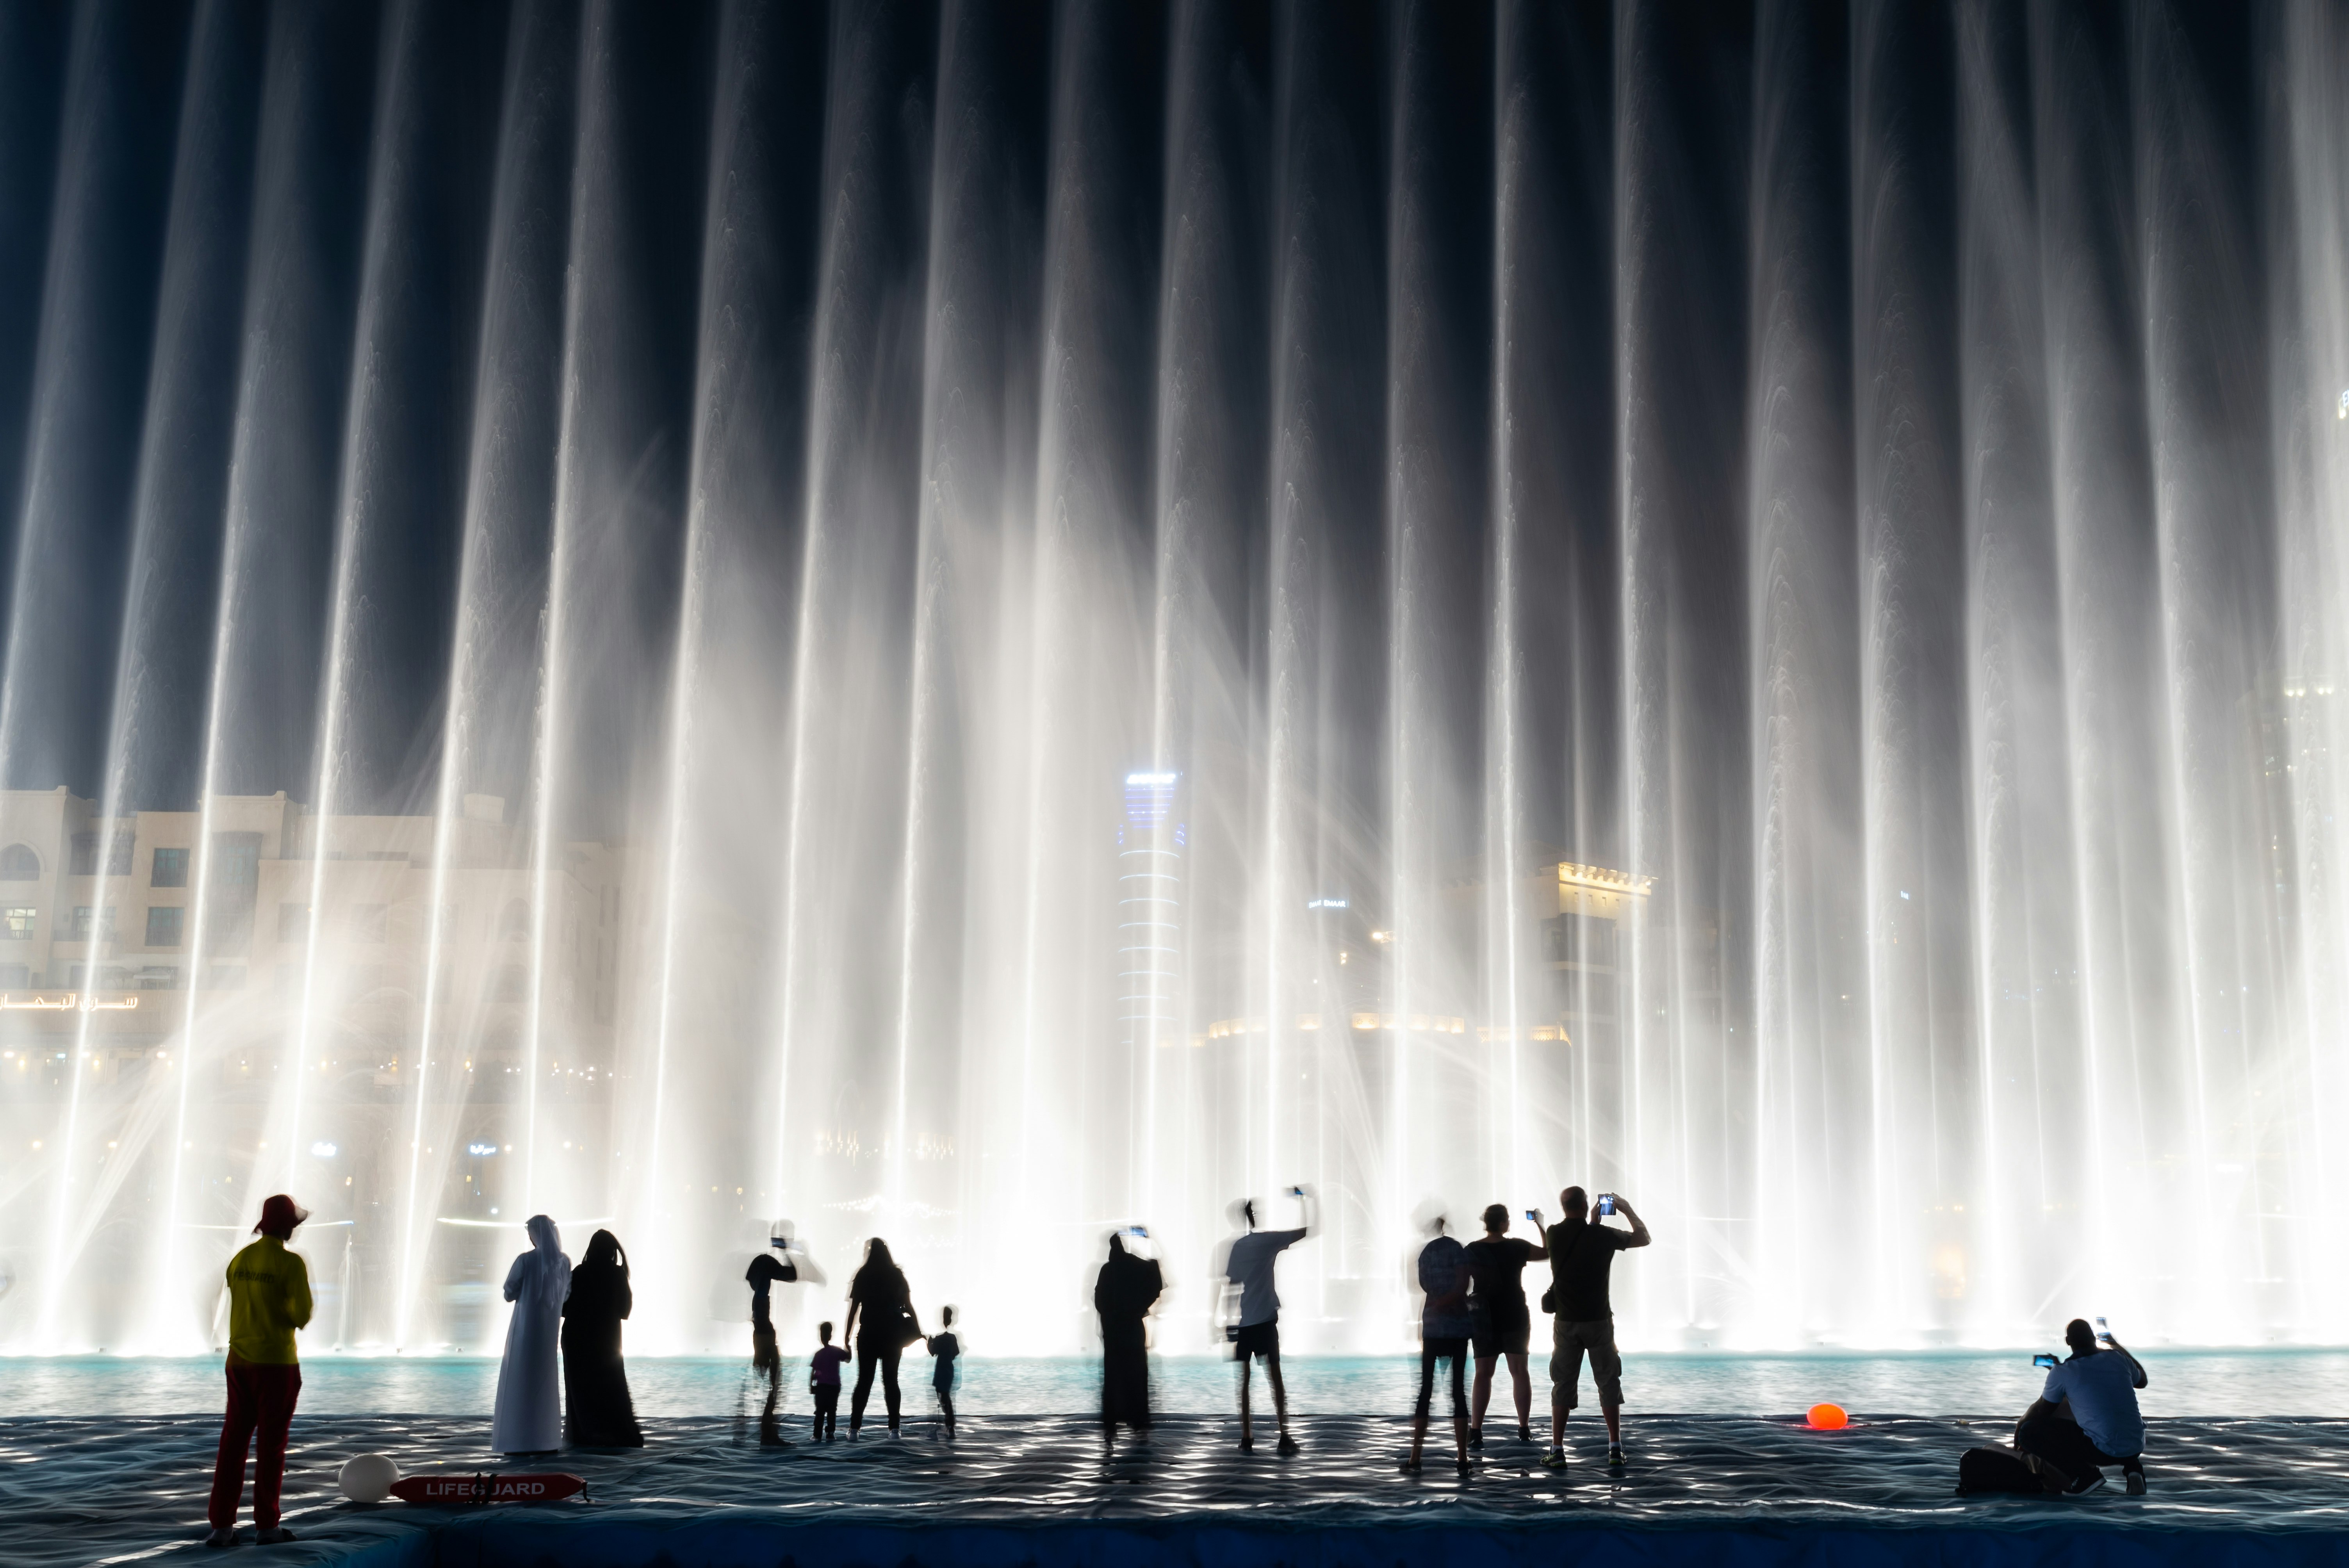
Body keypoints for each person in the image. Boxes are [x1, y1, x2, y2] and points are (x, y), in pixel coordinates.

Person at [205, 1193, 313, 1548]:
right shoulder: (291, 1264)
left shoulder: (240, 1260)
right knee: (272, 1448)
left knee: (232, 1445)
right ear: (287, 1226)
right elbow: (301, 1316)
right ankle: (267, 1527)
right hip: (277, 1366)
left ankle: (221, 1527)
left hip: (238, 1364)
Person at [1541, 1186, 1649, 1470]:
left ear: (1564, 1206)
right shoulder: (1602, 1236)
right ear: (1587, 1205)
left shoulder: (1553, 1233)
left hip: (1565, 1322)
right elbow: (1644, 1238)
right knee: (1608, 1382)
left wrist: (1591, 1223)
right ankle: (1615, 1448)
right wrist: (1624, 1208)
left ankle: (1558, 1450)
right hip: (1599, 1321)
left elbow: (1579, 1237)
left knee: (1563, 1383)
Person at [1220, 1188, 1312, 1456]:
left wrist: (1227, 1322)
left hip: (1245, 1322)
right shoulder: (1268, 1242)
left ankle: (1247, 1436)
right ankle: (1284, 1434)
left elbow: (1231, 1287)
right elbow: (1305, 1231)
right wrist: (1306, 1201)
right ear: (1255, 1217)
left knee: (1245, 1382)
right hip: (1265, 1322)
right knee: (1276, 1380)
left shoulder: (1237, 1247)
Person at [2015, 1319, 2149, 1495]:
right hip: (2137, 1445)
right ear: (2094, 1338)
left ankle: (2084, 1476)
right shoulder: (2119, 1358)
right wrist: (2115, 1345)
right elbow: (2142, 1381)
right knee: (2108, 1417)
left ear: (2068, 1342)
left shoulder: (2063, 1371)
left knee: (2030, 1431)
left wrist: (2020, 1426)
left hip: (2102, 1453)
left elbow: (2042, 1411)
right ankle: (2134, 1469)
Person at [1465, 1202, 1548, 1448]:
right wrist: (1540, 1224)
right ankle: (1523, 1429)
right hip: (1514, 1314)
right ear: (1503, 1224)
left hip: (1483, 1317)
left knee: (1482, 1374)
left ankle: (1476, 1431)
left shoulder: (1472, 1250)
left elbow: (1461, 1281)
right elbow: (1548, 1252)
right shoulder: (1517, 1247)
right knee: (1520, 1372)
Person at [492, 1215, 570, 1454]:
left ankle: (518, 1439)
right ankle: (545, 1438)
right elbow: (566, 1295)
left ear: (535, 1235)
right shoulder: (564, 1262)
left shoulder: (525, 1260)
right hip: (548, 1331)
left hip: (526, 1329)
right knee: (545, 1381)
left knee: (520, 1379)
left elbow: (509, 1292)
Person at [561, 1229, 643, 1447]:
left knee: (580, 1389)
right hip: (607, 1340)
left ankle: (583, 1434)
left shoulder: (579, 1272)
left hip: (576, 1339)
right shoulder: (617, 1274)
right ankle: (613, 1433)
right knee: (611, 1384)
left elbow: (564, 1307)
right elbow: (625, 1310)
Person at [1406, 1215, 1472, 1475]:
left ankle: (1415, 1458)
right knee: (1458, 1392)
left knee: (1425, 1391)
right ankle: (1462, 1459)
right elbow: (1464, 1284)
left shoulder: (1426, 1253)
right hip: (1457, 1327)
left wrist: (1438, 1300)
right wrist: (1451, 1300)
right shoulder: (1457, 1249)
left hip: (1432, 1325)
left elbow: (1422, 1285)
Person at [1095, 1228, 1163, 1454]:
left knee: (1113, 1378)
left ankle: (1111, 1427)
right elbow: (1156, 1281)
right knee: (1136, 1376)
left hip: (1113, 1334)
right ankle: (1138, 1424)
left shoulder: (1108, 1270)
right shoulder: (1136, 1267)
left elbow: (1100, 1302)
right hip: (1133, 1331)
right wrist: (1150, 1239)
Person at [844, 1238, 921, 1437]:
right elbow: (909, 1305)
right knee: (891, 1382)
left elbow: (854, 1310)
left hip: (868, 1334)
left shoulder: (863, 1275)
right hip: (893, 1335)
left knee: (864, 1382)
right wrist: (918, 1330)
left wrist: (846, 1338)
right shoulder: (897, 1276)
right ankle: (895, 1429)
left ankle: (854, 1429)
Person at [746, 1227, 801, 1446]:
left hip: (762, 1334)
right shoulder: (761, 1293)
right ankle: (768, 1432)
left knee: (773, 1383)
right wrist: (785, 1252)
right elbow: (792, 1275)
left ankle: (767, 1431)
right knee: (775, 1383)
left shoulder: (758, 1287)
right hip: (764, 1335)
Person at [809, 1320, 848, 1440]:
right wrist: (848, 1346)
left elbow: (813, 1372)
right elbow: (848, 1358)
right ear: (831, 1336)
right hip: (834, 1387)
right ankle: (831, 1433)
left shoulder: (819, 1354)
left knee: (820, 1411)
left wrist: (811, 1386)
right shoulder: (837, 1351)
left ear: (821, 1336)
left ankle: (817, 1434)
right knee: (832, 1411)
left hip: (821, 1387)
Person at [927, 1305, 961, 1438]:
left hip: (941, 1368)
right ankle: (949, 1423)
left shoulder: (940, 1338)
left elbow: (932, 1352)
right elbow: (955, 1354)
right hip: (949, 1369)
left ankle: (950, 1424)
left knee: (943, 1396)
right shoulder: (952, 1338)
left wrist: (929, 1341)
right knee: (946, 1396)